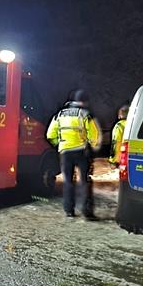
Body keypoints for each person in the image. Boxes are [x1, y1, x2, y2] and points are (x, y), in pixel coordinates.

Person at [46, 89, 101, 219]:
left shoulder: (59, 115)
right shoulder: (85, 114)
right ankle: (87, 212)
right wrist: (93, 147)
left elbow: (50, 135)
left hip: (65, 152)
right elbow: (94, 135)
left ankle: (69, 210)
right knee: (84, 181)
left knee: (68, 182)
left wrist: (59, 144)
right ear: (83, 101)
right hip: (81, 151)